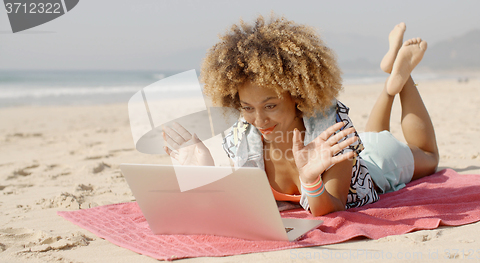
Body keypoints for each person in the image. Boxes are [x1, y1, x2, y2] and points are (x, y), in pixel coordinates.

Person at [162, 16, 439, 216]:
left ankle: (404, 77)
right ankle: (391, 80)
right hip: (361, 147)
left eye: (270, 106)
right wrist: (205, 173)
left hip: (379, 161)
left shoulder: (331, 131)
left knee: (427, 156)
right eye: (247, 108)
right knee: (373, 132)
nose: (259, 120)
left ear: (296, 96)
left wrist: (310, 180)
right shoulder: (244, 136)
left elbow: (331, 208)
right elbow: (237, 207)